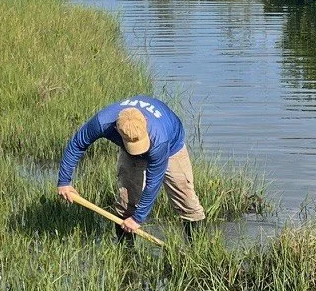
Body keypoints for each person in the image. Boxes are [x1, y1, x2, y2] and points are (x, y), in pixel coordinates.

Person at [55, 95, 206, 240]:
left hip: (172, 147)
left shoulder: (160, 139)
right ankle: (127, 254)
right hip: (129, 151)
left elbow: (154, 182)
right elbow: (77, 144)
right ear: (117, 129)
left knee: (186, 201)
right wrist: (64, 182)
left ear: (145, 121)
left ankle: (197, 249)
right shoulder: (103, 122)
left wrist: (138, 218)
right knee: (125, 203)